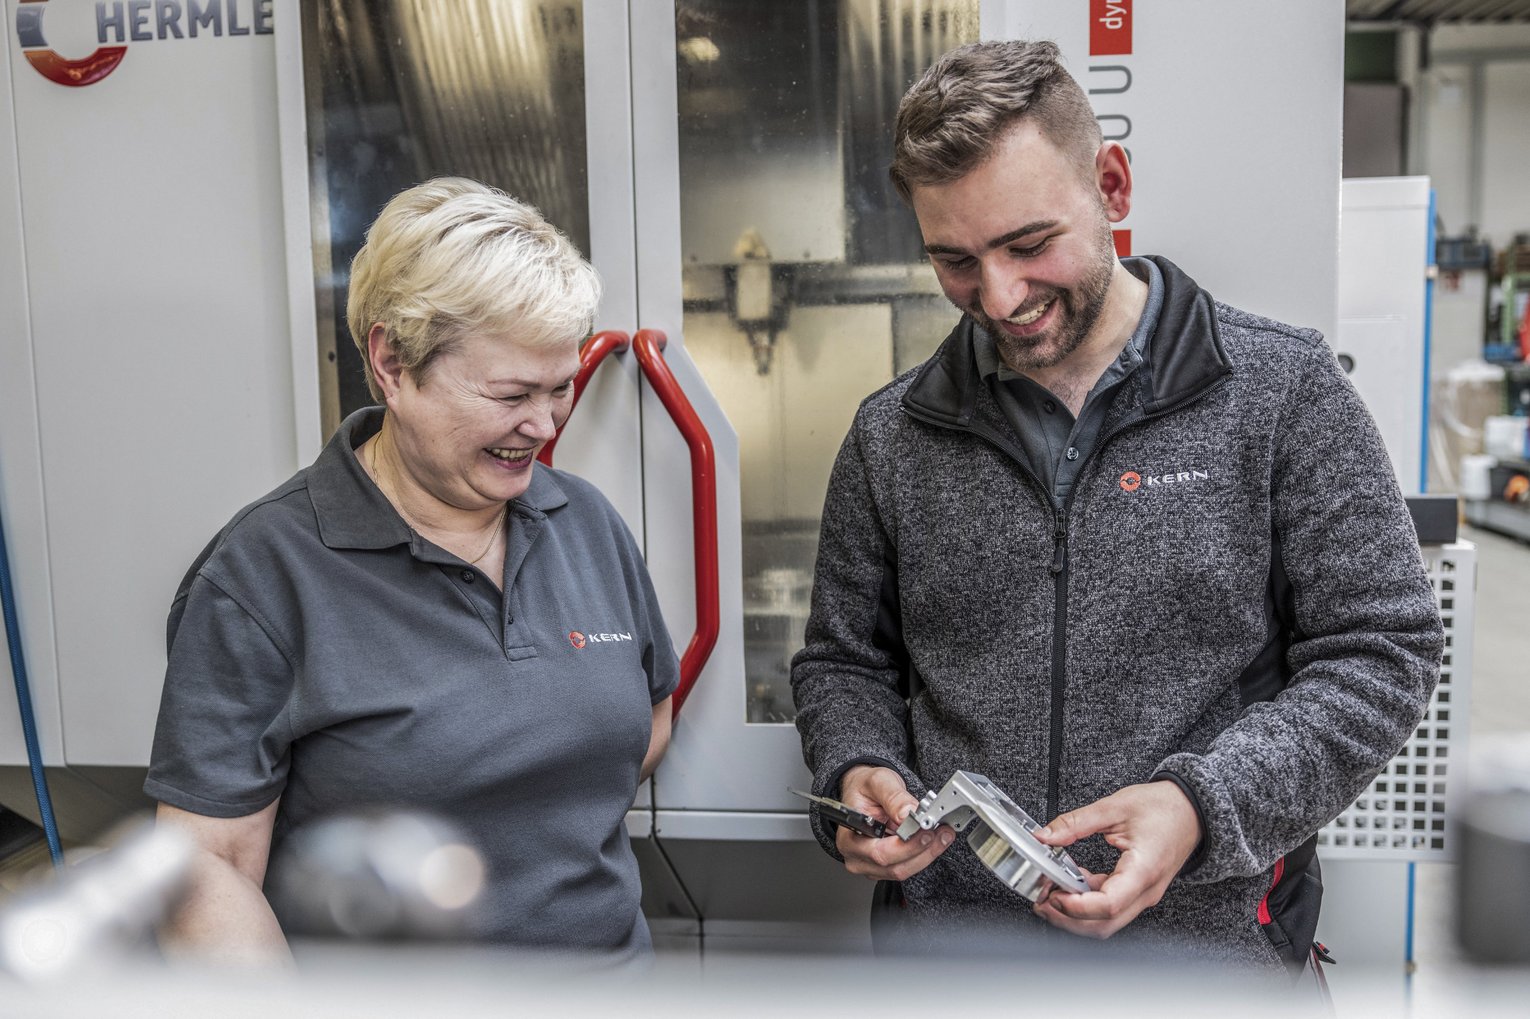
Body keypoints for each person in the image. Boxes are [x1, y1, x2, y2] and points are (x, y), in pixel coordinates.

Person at [791, 40, 1443, 974]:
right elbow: (844, 661)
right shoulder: (889, 437)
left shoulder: (1282, 392)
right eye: (955, 260)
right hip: (955, 962)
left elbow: (1381, 650)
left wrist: (1201, 806)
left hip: (1211, 960)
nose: (1000, 297)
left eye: (1028, 245)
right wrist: (860, 765)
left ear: (1111, 184)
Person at [145, 178, 678, 963]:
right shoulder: (264, 572)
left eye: (560, 387)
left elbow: (651, 714)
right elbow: (207, 868)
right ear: (392, 362)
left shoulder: (585, 521)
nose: (543, 424)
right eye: (511, 393)